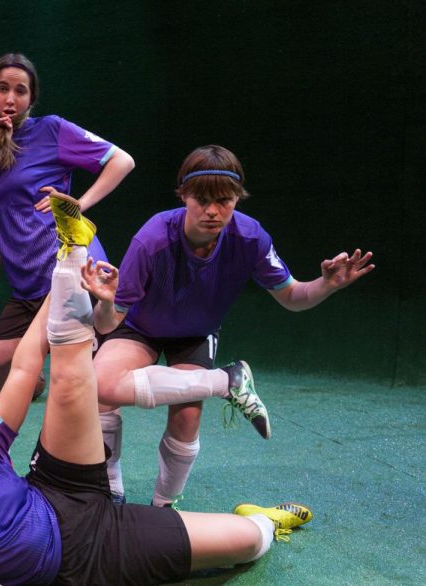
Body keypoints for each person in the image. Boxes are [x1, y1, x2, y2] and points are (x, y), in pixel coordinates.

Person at [0, 192, 313, 585]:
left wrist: (61, 284)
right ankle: (260, 521)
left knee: (72, 378)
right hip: (91, 552)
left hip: (55, 487)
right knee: (243, 539)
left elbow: (24, 368)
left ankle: (72, 249)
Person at [93, 145, 375, 506]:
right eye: (202, 199)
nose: (212, 211)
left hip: (196, 334)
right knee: (99, 386)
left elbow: (292, 297)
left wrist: (326, 285)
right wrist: (103, 301)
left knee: (188, 415)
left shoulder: (251, 238)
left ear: (238, 198)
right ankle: (112, 487)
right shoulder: (152, 238)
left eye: (224, 200)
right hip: (139, 328)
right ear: (183, 196)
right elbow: (108, 323)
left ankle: (164, 507)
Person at [0, 53, 135, 404]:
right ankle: (33, 383)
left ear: (32, 98)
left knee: (78, 386)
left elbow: (122, 161)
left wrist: (80, 203)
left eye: (21, 90)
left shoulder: (52, 130)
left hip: (70, 271)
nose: (11, 98)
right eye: (3, 89)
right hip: (28, 285)